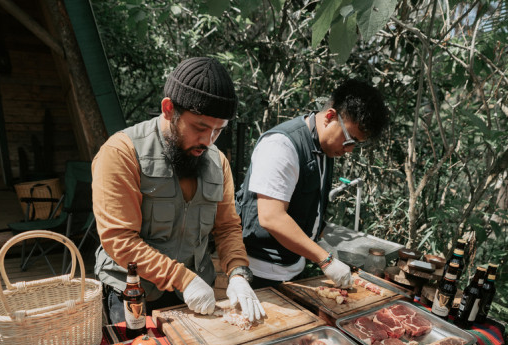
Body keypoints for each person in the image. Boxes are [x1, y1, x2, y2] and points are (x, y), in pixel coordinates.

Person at [92, 57, 265, 324]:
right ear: (169, 108)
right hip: (133, 292)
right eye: (200, 127)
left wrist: (239, 273)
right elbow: (119, 239)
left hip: (196, 293)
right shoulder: (122, 153)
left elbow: (228, 227)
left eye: (218, 131)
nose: (208, 141)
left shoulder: (218, 162)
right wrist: (183, 279)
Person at [236, 79, 389, 289]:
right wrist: (326, 260)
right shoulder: (282, 145)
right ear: (330, 117)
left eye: (356, 144)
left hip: (292, 269)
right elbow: (271, 217)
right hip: (259, 272)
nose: (350, 149)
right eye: (350, 139)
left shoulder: (324, 151)